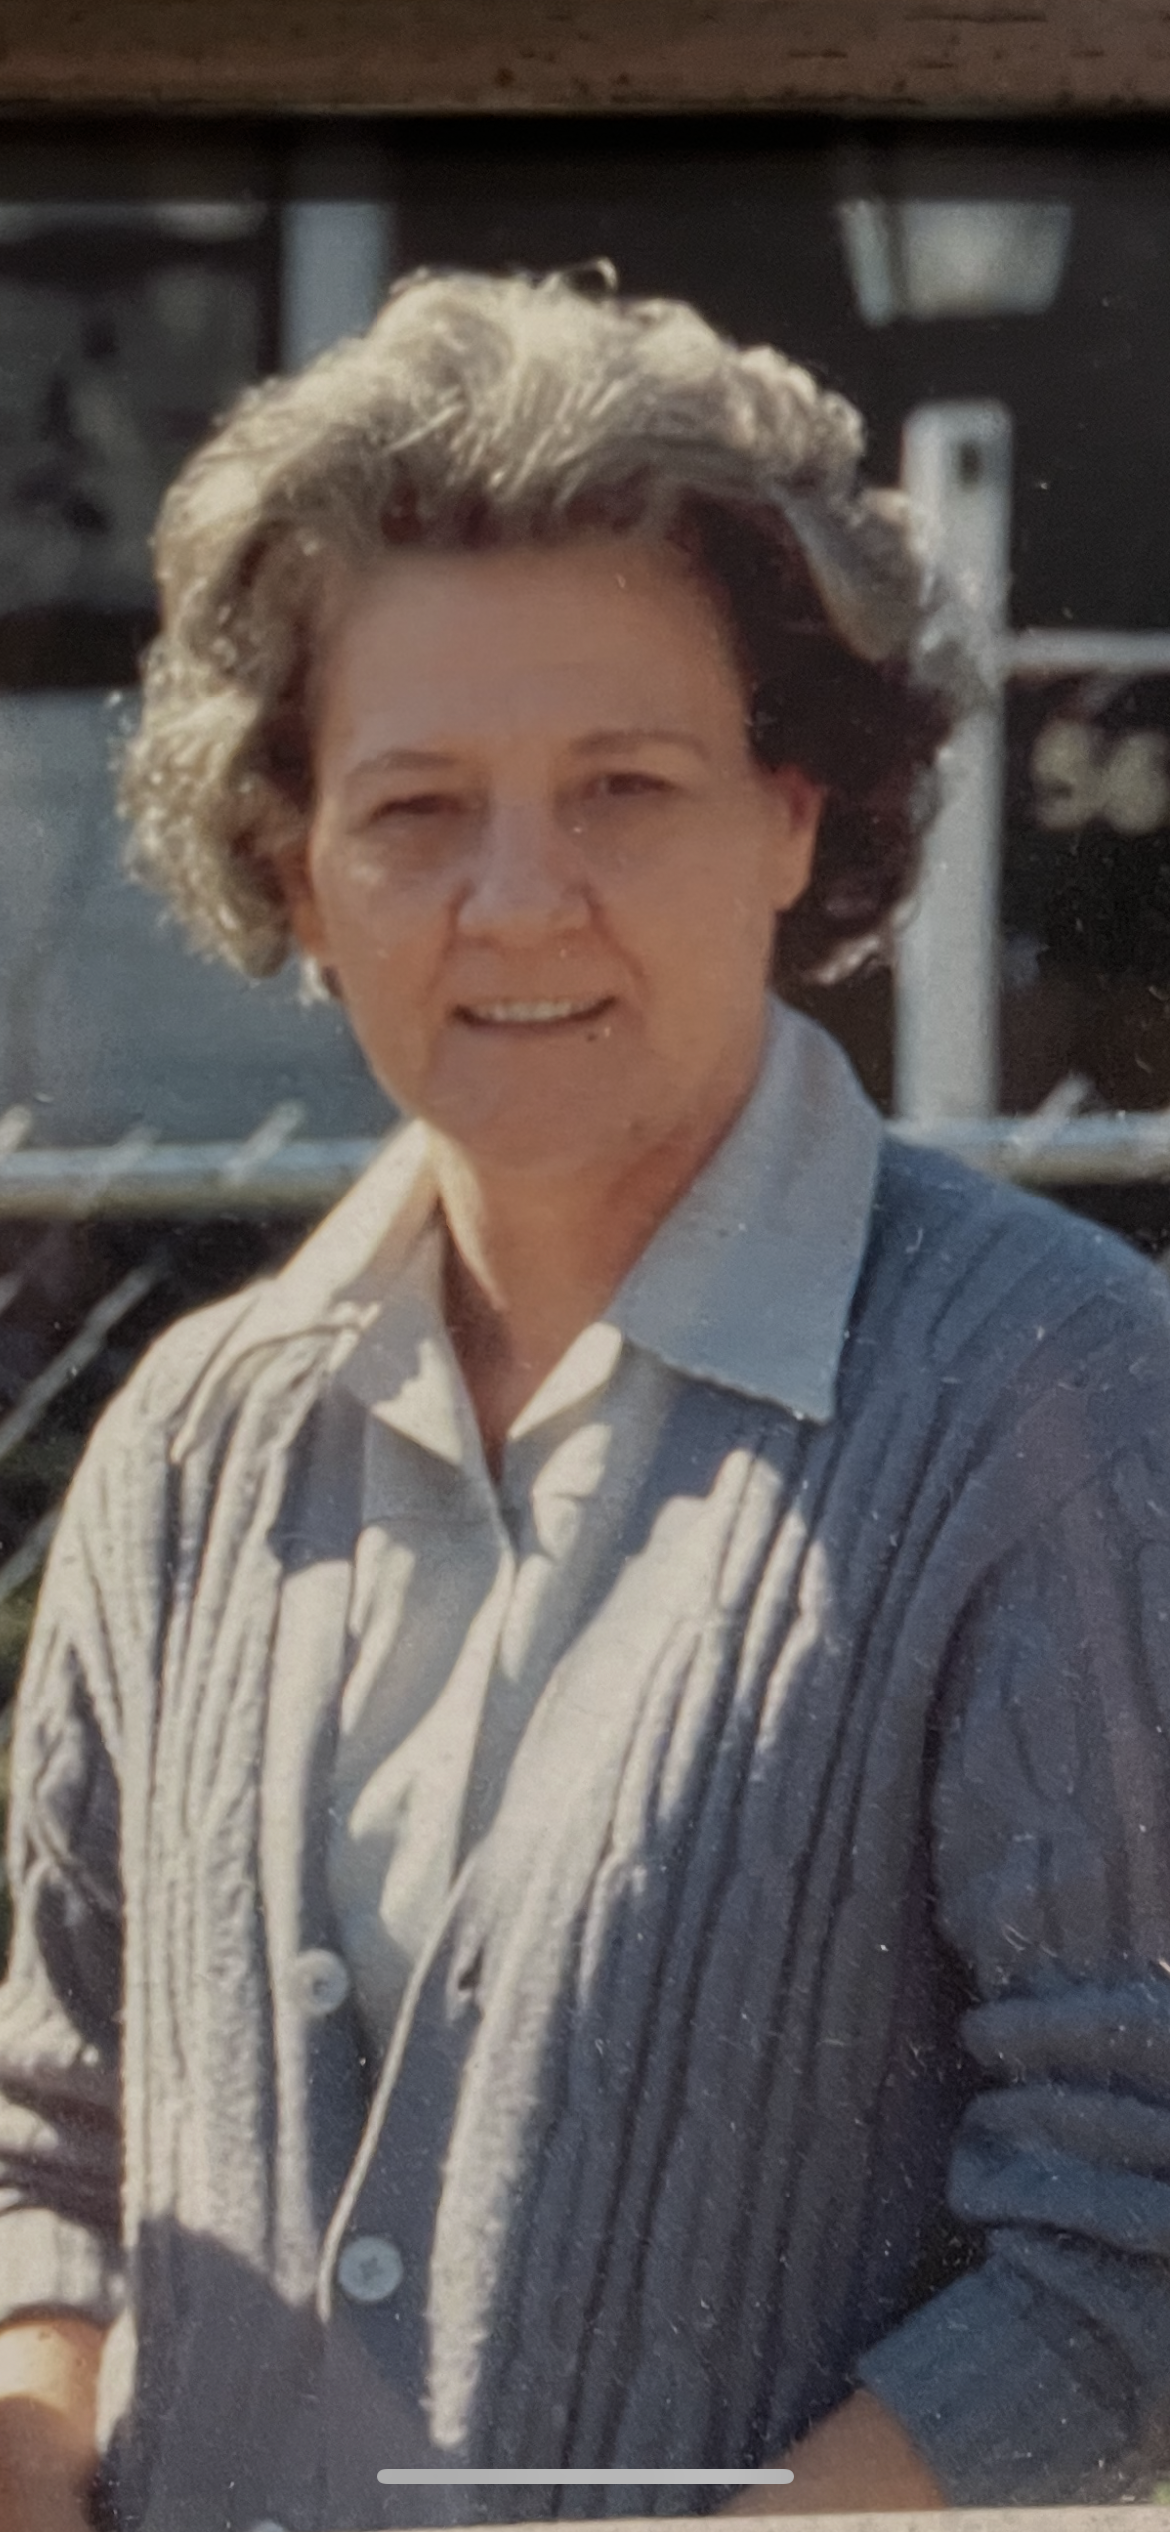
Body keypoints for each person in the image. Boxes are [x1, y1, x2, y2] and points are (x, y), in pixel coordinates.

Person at [2, 264, 1170, 2532]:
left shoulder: (1059, 1403)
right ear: (295, 871)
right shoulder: (188, 1440)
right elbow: (51, 2128)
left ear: (800, 817)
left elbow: (1136, 2232)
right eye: (416, 806)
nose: (517, 904)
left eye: (624, 787)